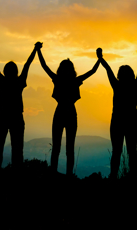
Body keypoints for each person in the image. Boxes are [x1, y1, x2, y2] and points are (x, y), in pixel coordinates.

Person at [37, 43, 100, 176]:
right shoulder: (71, 80)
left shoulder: (61, 80)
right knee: (60, 147)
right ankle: (59, 173)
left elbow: (44, 66)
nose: (65, 70)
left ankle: (66, 173)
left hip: (64, 113)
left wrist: (99, 59)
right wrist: (99, 58)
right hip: (67, 113)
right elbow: (44, 66)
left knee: (66, 148)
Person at [0, 39, 39, 169]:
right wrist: (35, 50)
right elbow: (27, 64)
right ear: (16, 71)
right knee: (16, 152)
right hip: (15, 118)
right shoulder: (19, 81)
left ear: (5, 71)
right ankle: (16, 177)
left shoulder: (2, 80)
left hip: (2, 117)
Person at [98, 42, 137, 179]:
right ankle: (132, 177)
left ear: (119, 75)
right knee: (131, 151)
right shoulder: (135, 85)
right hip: (131, 121)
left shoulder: (117, 85)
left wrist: (100, 57)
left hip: (117, 121)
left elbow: (108, 69)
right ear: (131, 75)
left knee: (118, 151)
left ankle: (114, 176)